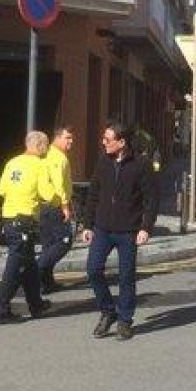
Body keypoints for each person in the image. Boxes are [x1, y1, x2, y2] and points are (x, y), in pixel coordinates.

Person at [82, 123, 158, 341]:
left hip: (128, 231)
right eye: (104, 139)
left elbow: (152, 199)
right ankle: (108, 311)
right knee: (93, 269)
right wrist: (87, 225)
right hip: (103, 228)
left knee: (126, 277)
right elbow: (93, 195)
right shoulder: (102, 162)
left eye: (108, 139)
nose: (103, 143)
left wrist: (146, 228)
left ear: (122, 142)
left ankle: (125, 321)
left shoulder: (142, 165)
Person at [0, 130, 55, 325]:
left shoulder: (12, 162)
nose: (47, 149)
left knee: (29, 264)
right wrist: (61, 198)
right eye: (46, 146)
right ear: (40, 146)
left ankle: (36, 304)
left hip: (9, 216)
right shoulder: (40, 165)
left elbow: (1, 189)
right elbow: (48, 194)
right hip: (24, 218)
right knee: (15, 265)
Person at [38, 125, 75, 294]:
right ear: (57, 137)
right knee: (64, 241)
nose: (71, 141)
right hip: (54, 205)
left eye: (71, 138)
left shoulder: (47, 154)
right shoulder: (57, 157)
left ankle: (46, 283)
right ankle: (36, 271)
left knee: (49, 244)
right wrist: (65, 206)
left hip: (44, 206)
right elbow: (58, 184)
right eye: (67, 138)